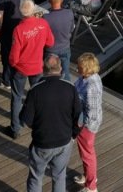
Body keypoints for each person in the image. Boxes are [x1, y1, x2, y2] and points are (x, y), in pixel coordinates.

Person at [20, 54, 81, 192]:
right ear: (60, 68)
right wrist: (73, 135)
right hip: (64, 141)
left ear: (43, 69)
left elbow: (26, 120)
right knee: (59, 176)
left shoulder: (35, 90)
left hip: (42, 142)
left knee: (36, 177)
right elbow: (79, 117)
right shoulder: (70, 88)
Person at [8, 0, 55, 139]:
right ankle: (37, 122)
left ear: (21, 12)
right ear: (33, 9)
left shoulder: (18, 29)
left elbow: (14, 56)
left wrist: (13, 64)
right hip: (37, 67)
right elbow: (50, 42)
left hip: (21, 68)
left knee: (17, 97)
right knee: (38, 97)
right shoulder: (43, 23)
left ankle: (15, 129)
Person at [0, 0, 33, 87]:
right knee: (21, 53)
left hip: (7, 29)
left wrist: (0, 28)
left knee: (7, 55)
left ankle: (6, 80)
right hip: (23, 28)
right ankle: (18, 77)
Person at [74, 52, 103, 192]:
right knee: (86, 153)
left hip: (87, 126)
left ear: (86, 68)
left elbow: (91, 113)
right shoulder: (90, 77)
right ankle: (89, 176)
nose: (77, 68)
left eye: (79, 67)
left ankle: (91, 187)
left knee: (87, 155)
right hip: (86, 122)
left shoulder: (91, 87)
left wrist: (80, 126)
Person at [43, 0, 75, 81]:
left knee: (49, 74)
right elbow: (71, 29)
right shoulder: (69, 13)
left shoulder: (46, 18)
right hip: (65, 47)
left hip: (51, 49)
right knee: (66, 73)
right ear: (61, 1)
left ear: (49, 2)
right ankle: (67, 90)